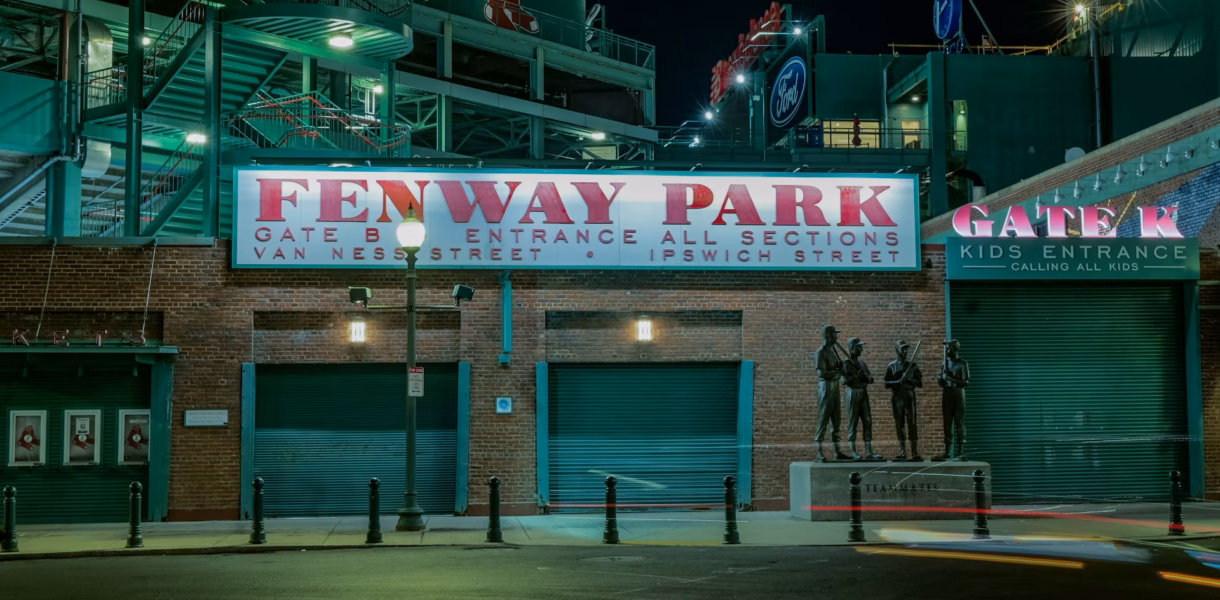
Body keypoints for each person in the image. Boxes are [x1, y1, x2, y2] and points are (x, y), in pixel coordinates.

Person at [813, 324, 850, 462]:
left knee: (836, 421)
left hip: (834, 388)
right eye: (835, 334)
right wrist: (837, 372)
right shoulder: (820, 352)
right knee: (823, 420)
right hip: (826, 388)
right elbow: (820, 373)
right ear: (828, 335)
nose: (836, 337)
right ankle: (819, 452)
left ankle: (837, 451)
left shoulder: (833, 351)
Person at [842, 337, 882, 461]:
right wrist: (855, 376)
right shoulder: (846, 363)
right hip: (853, 393)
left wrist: (869, 379)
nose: (861, 349)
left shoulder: (862, 364)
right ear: (852, 348)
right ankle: (853, 451)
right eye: (859, 347)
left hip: (863, 393)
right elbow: (844, 380)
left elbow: (869, 377)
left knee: (868, 421)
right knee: (853, 422)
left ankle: (869, 451)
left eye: (861, 347)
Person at [884, 340, 923, 461]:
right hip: (897, 397)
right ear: (897, 350)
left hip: (909, 396)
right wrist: (898, 381)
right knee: (899, 424)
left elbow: (920, 383)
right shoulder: (892, 366)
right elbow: (887, 384)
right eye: (903, 349)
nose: (905, 351)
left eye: (906, 349)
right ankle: (902, 451)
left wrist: (909, 380)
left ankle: (914, 451)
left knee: (912, 423)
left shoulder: (913, 365)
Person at [934, 339, 971, 461]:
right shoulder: (945, 364)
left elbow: (965, 382)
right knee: (947, 422)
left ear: (954, 349)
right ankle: (947, 451)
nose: (947, 351)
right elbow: (941, 382)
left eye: (948, 349)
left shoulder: (963, 364)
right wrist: (941, 379)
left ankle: (961, 451)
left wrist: (950, 377)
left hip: (958, 393)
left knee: (960, 422)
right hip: (947, 392)